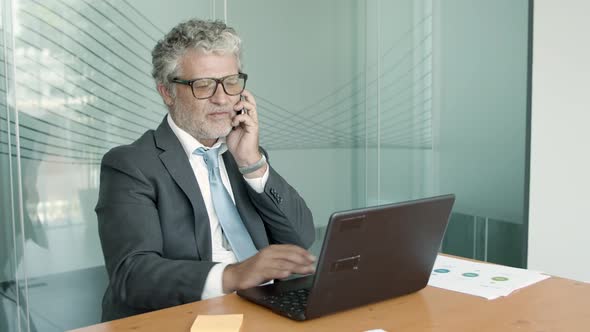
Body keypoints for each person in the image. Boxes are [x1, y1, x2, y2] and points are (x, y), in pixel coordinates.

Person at [95, 19, 316, 322]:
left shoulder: (242, 153)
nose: (222, 98)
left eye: (231, 82)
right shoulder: (131, 164)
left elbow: (301, 237)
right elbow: (131, 274)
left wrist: (252, 163)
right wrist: (233, 275)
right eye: (203, 85)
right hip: (184, 316)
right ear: (167, 92)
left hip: (263, 307)